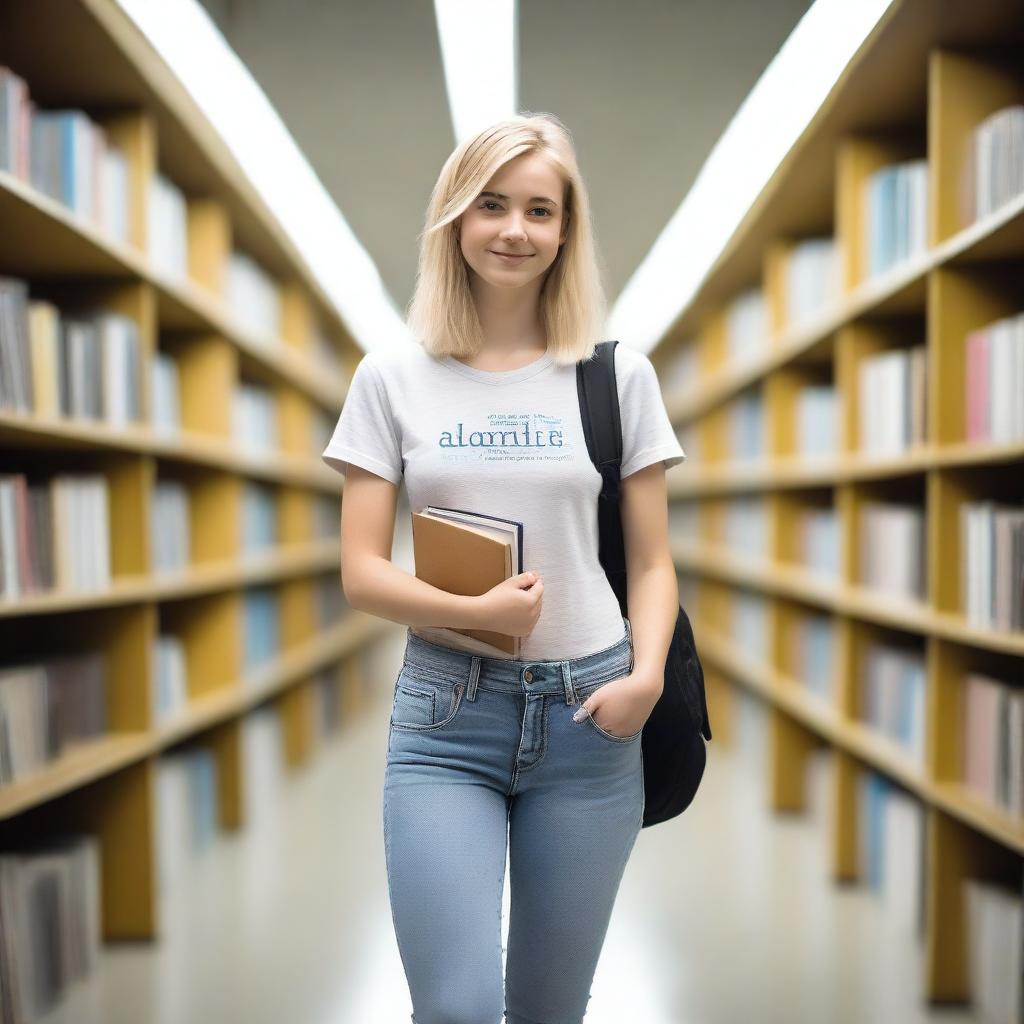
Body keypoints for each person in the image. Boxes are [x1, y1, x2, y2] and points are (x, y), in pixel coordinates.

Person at [322, 112, 686, 1024]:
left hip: (592, 718)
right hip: (449, 716)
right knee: (456, 1008)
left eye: (539, 209)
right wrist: (474, 606)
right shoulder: (392, 377)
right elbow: (361, 572)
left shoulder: (616, 377)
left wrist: (645, 679)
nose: (515, 230)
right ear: (454, 217)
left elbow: (650, 563)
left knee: (550, 1009)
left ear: (566, 231)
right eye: (491, 205)